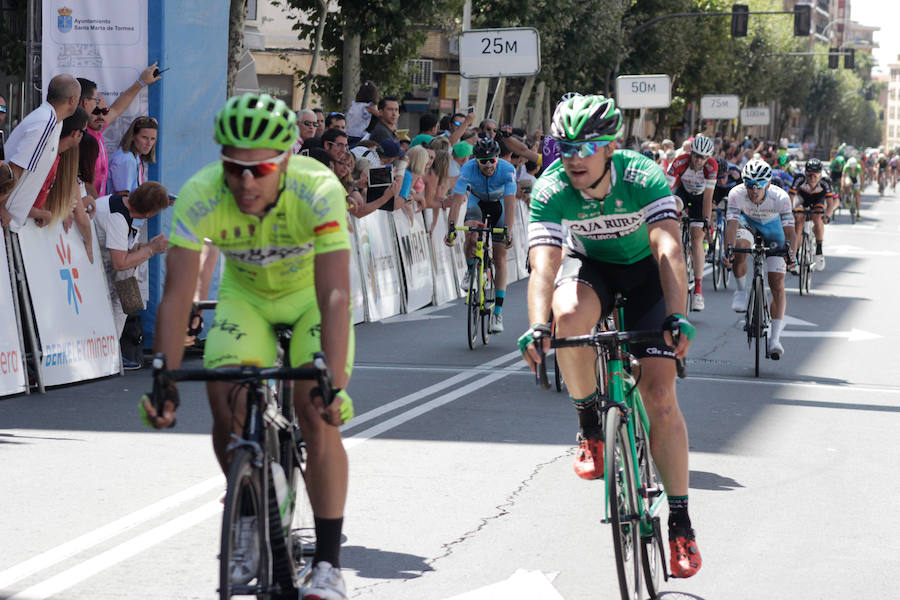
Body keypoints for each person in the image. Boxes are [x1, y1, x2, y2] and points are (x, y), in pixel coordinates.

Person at [141, 93, 354, 599]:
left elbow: (336, 295)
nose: (246, 181)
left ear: (285, 160)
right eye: (235, 169)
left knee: (314, 410)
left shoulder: (318, 188)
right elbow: (175, 296)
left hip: (309, 302)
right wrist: (163, 378)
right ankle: (247, 511)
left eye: (259, 170)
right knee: (224, 396)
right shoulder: (201, 193)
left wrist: (335, 385)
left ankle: (327, 564)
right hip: (247, 299)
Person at [518, 94, 701, 579]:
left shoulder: (642, 177)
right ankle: (589, 425)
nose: (575, 156)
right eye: (565, 145)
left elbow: (667, 248)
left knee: (661, 397)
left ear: (611, 147)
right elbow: (544, 266)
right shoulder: (552, 186)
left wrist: (677, 315)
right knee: (569, 316)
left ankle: (680, 520)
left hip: (645, 273)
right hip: (591, 267)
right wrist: (538, 325)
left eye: (587, 146)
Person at [724, 158, 795, 358]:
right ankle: (739, 290)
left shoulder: (781, 197)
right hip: (748, 226)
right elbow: (730, 225)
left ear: (769, 184)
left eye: (760, 185)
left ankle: (774, 340)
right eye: (749, 185)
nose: (754, 190)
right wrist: (727, 250)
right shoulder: (736, 194)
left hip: (774, 232)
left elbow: (790, 231)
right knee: (740, 248)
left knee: (777, 283)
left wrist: (791, 254)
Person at [93, 181, 170, 366]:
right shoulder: (118, 218)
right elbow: (120, 263)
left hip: (97, 260)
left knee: (126, 298)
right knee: (124, 300)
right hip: (91, 263)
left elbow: (125, 249)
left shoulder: (122, 205)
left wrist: (143, 247)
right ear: (150, 213)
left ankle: (111, 350)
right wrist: (151, 250)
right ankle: (110, 354)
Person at [446, 136, 516, 333]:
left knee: (500, 256)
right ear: (476, 160)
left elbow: (511, 203)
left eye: (492, 160)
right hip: (477, 202)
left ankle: (498, 313)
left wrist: (508, 231)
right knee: (470, 233)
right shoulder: (467, 169)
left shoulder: (507, 170)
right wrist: (451, 227)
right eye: (483, 161)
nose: (488, 165)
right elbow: (457, 199)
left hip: (499, 204)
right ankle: (470, 271)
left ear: (498, 158)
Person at [1, 74, 80, 230]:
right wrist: (2, 207)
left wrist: (33, 211)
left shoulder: (55, 122)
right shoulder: (46, 122)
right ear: (72, 100)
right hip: (6, 217)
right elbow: (14, 168)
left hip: (12, 217)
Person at [77, 65, 162, 197]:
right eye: (96, 111)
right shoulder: (81, 136)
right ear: (85, 106)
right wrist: (96, 207)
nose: (101, 116)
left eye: (104, 111)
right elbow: (86, 183)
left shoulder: (98, 128)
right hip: (88, 207)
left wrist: (141, 82)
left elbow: (118, 108)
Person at [666, 134, 717, 311]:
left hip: (701, 199)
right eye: (696, 155)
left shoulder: (711, 167)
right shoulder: (680, 162)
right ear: (691, 153)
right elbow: (666, 190)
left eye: (703, 157)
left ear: (708, 158)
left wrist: (706, 222)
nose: (698, 160)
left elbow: (708, 198)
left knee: (696, 237)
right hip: (683, 193)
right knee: (672, 207)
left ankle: (698, 290)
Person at [788, 158, 832, 271]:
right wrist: (790, 211)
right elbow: (791, 197)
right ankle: (796, 255)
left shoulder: (825, 181)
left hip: (818, 200)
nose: (812, 178)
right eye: (809, 175)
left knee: (818, 218)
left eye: (815, 176)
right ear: (805, 174)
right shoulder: (799, 178)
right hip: (803, 199)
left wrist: (827, 215)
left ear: (820, 175)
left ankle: (819, 250)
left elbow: (830, 203)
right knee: (798, 221)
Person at [109, 116, 158, 195]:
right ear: (132, 137)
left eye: (153, 139)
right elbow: (122, 198)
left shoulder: (135, 157)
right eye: (144, 137)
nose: (149, 143)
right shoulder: (127, 159)